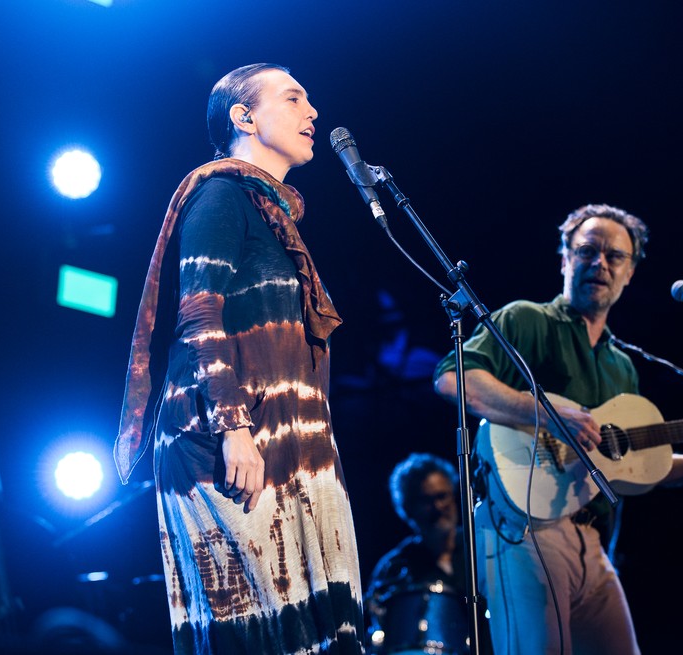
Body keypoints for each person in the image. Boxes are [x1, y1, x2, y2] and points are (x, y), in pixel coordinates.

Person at [114, 63, 364, 655]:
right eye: (294, 98)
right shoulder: (220, 195)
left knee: (313, 632)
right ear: (244, 117)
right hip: (225, 446)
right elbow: (199, 316)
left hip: (282, 440)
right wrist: (234, 429)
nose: (313, 113)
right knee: (255, 633)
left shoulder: (269, 212)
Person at [432, 204, 683, 655]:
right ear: (565, 259)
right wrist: (544, 411)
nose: (599, 263)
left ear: (630, 273)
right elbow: (454, 378)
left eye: (614, 256)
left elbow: (639, 467)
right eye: (587, 250)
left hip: (591, 539)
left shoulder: (621, 366)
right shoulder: (528, 320)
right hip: (523, 528)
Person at [365, 453, 483, 655]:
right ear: (408, 509)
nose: (437, 507)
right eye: (426, 500)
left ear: (454, 496)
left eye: (442, 496)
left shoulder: (482, 546)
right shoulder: (394, 567)